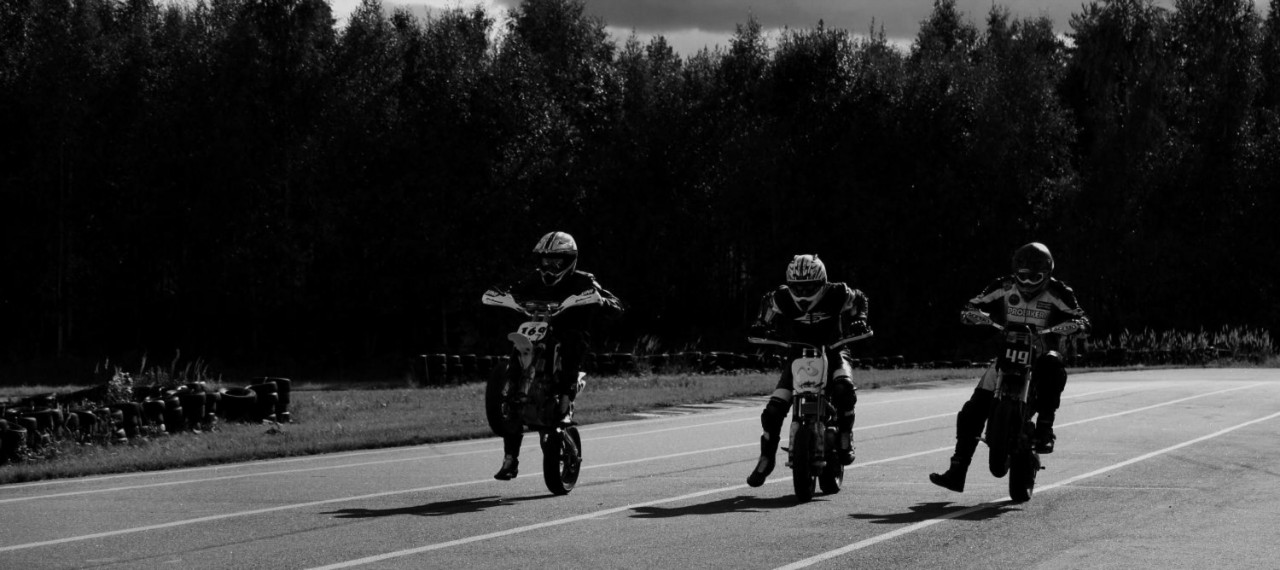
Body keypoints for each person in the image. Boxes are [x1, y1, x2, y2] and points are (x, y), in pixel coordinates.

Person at [929, 242, 1089, 492]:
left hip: (1041, 354)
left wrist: (1077, 325)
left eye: (1034, 277)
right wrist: (972, 314)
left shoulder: (1059, 291)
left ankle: (1045, 428)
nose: (1027, 283)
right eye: (1022, 276)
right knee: (971, 411)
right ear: (1015, 273)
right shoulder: (1003, 285)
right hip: (1007, 355)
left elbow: (1081, 317)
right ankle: (957, 470)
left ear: (1047, 274)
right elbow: (974, 304)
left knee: (1054, 365)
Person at [492, 231, 623, 481]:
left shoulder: (583, 280)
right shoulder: (534, 279)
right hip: (536, 332)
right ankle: (510, 459)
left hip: (567, 337)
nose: (549, 266)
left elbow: (615, 303)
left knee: (573, 339)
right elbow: (511, 289)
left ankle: (564, 399)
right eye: (545, 260)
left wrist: (601, 302)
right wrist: (500, 294)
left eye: (556, 261)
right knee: (516, 353)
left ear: (569, 260)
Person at [746, 254, 872, 487]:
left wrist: (860, 320)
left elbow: (860, 299)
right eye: (798, 287)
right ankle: (766, 458)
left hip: (834, 350)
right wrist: (761, 324)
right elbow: (767, 305)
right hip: (798, 355)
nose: (803, 292)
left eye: (809, 287)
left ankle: (845, 436)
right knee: (773, 411)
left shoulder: (838, 293)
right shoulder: (781, 297)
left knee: (844, 388)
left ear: (822, 282)